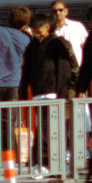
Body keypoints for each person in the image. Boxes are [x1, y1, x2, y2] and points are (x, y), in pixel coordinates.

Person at [20, 10, 77, 171]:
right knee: (43, 128)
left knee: (50, 129)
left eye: (40, 28)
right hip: (39, 92)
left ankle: (49, 163)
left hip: (54, 93)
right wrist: (23, 92)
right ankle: (44, 162)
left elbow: (65, 70)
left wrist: (63, 94)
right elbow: (27, 71)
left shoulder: (58, 44)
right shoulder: (32, 46)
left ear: (47, 27)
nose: (37, 32)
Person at [0, 5, 32, 164]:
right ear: (26, 22)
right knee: (8, 123)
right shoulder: (26, 40)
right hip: (14, 84)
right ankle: (8, 159)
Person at [51, 0, 87, 70]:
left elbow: (86, 46)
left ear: (66, 11)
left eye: (60, 10)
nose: (58, 13)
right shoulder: (50, 30)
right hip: (58, 70)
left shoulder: (77, 26)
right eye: (55, 11)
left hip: (77, 68)